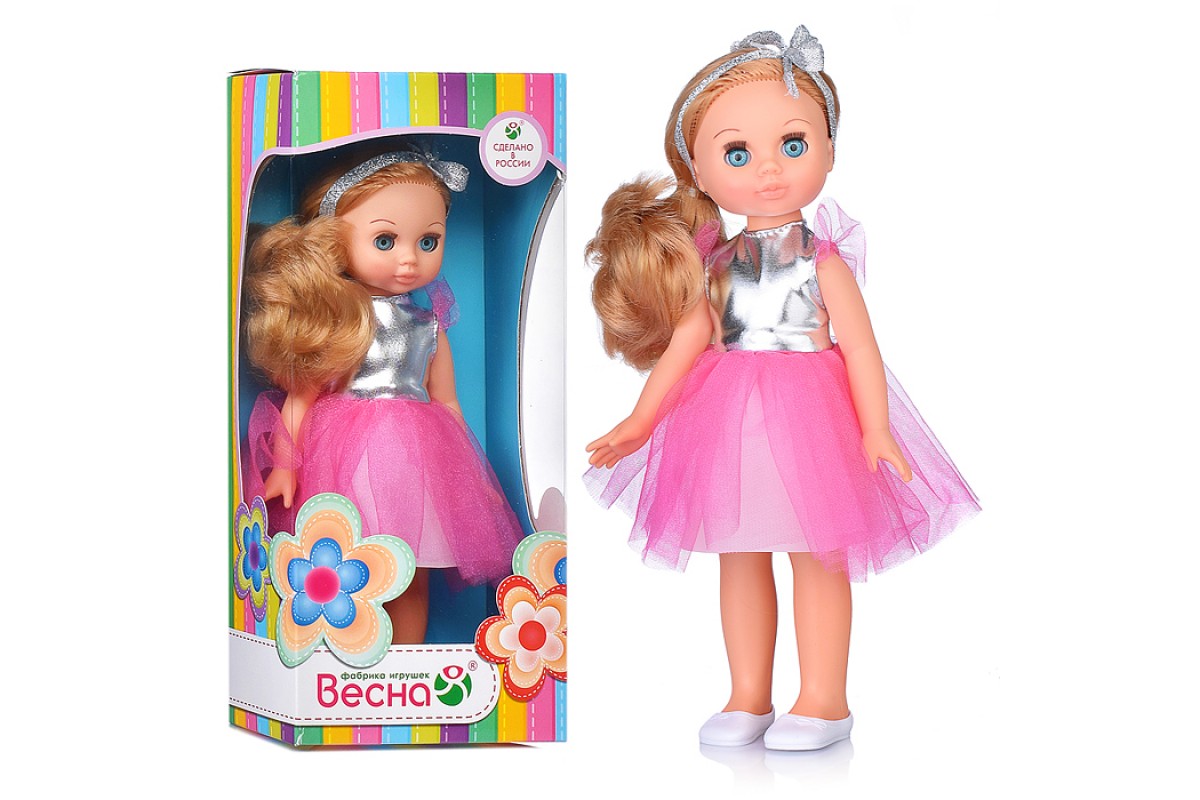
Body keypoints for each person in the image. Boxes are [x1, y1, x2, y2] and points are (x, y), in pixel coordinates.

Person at [585, 27, 979, 750]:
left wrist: (876, 428)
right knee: (739, 554)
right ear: (700, 170)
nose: (768, 169)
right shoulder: (715, 265)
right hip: (729, 424)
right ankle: (748, 695)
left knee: (818, 554)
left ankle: (824, 699)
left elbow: (861, 347)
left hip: (812, 419)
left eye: (792, 144)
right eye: (738, 153)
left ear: (828, 148)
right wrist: (639, 422)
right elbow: (685, 346)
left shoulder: (822, 261)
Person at [244, 151, 524, 645]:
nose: (409, 258)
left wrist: (470, 479)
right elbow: (300, 398)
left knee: (411, 567)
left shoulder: (429, 324)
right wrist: (285, 466)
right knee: (345, 561)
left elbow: (447, 402)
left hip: (419, 460)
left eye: (428, 241)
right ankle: (345, 656)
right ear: (334, 240)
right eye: (385, 240)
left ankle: (408, 657)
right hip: (344, 457)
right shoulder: (337, 319)